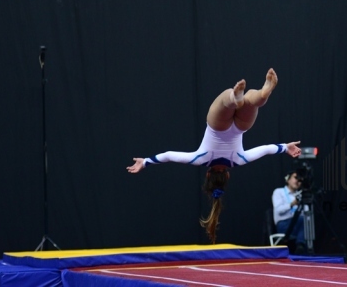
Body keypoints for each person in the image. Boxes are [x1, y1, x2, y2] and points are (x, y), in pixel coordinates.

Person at [126, 68, 301, 244]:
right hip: (217, 126)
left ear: (228, 175)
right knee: (226, 98)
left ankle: (260, 95)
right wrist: (146, 162)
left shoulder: (239, 160)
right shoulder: (201, 159)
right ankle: (234, 98)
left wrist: (285, 147)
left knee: (252, 102)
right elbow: (169, 155)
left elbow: (265, 149)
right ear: (208, 174)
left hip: (241, 127)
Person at [271, 171, 306, 254]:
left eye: (300, 180)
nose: (298, 181)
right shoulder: (279, 192)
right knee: (303, 221)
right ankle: (300, 246)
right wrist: (292, 204)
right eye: (296, 178)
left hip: (298, 224)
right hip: (284, 224)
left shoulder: (301, 195)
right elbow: (279, 210)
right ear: (288, 179)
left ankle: (302, 248)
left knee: (307, 221)